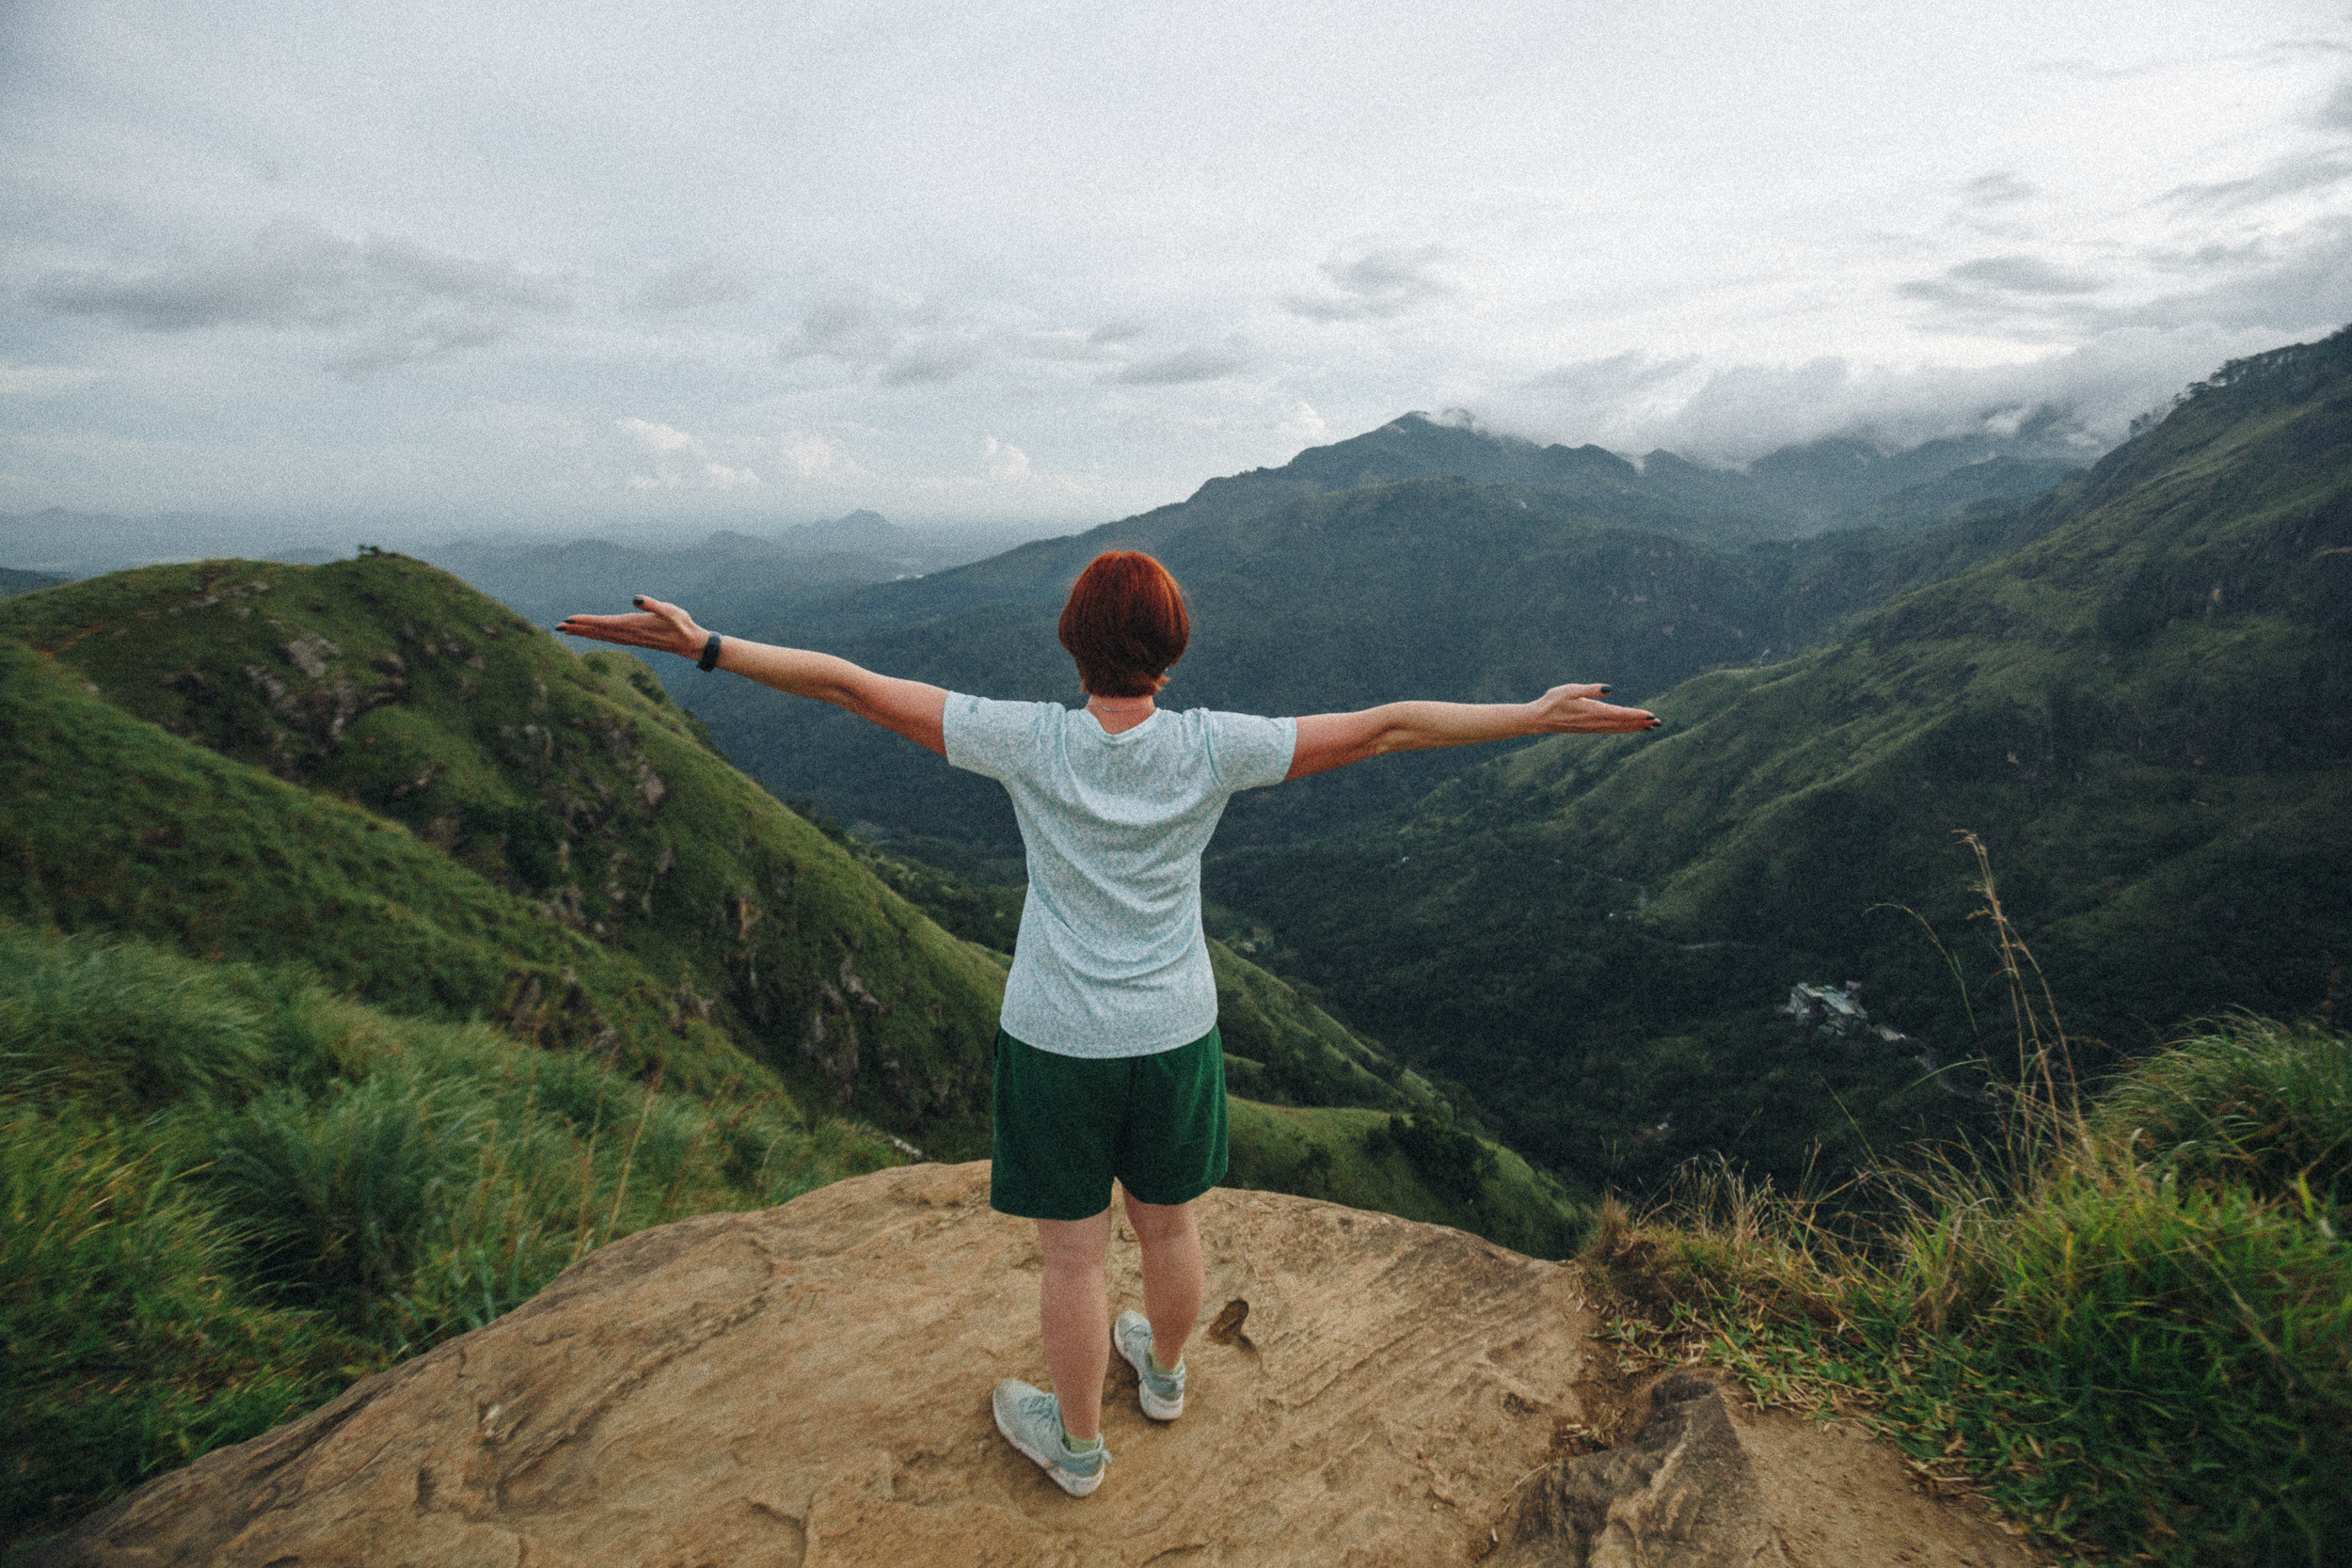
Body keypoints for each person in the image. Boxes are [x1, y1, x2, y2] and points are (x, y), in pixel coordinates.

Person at [558, 550, 1659, 1498]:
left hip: (1056, 1034)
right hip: (1174, 1026)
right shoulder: (1211, 747)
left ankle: (1078, 1445)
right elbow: (1383, 728)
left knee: (1074, 1258)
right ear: (1170, 652)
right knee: (1170, 1227)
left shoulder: (1027, 739)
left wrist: (706, 647)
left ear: (1069, 644)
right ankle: (1165, 1379)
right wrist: (1533, 714)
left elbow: (849, 687)